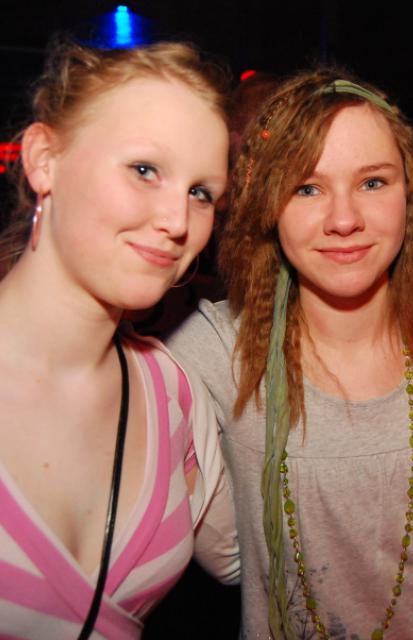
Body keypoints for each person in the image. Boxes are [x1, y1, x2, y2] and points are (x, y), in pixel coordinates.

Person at [169, 69, 413, 639]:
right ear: (268, 205)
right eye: (307, 188)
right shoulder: (214, 352)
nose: (344, 220)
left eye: (373, 182)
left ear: (411, 191)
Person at [0, 40, 239, 638]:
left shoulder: (172, 391)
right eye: (144, 170)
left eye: (201, 193)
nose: (178, 223)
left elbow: (244, 560)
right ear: (44, 160)